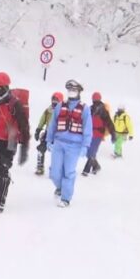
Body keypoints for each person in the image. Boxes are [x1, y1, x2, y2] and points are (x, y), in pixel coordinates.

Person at [0, 72, 30, 213]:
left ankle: (0, 201)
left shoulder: (15, 104)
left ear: (4, 87)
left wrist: (24, 147)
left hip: (9, 143)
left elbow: (24, 126)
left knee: (3, 170)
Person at [46, 79, 92, 208]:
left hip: (74, 146)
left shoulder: (85, 108)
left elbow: (88, 128)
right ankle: (60, 187)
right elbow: (52, 124)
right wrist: (49, 140)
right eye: (69, 90)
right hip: (59, 143)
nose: (71, 92)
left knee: (69, 172)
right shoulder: (61, 105)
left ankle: (66, 198)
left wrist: (85, 146)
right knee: (54, 172)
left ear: (79, 92)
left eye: (74, 90)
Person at [82, 92, 116, 176]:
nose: (95, 101)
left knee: (91, 152)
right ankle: (96, 166)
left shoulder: (103, 110)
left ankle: (86, 170)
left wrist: (113, 133)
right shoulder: (90, 108)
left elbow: (109, 122)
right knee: (87, 152)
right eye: (94, 99)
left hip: (98, 135)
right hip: (90, 134)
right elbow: (85, 121)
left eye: (97, 99)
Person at [34, 92, 64, 175]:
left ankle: (56, 170)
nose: (54, 102)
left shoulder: (63, 112)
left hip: (58, 135)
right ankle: (40, 167)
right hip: (48, 133)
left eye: (56, 100)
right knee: (41, 149)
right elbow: (42, 120)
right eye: (53, 100)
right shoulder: (48, 110)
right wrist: (38, 129)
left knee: (57, 152)